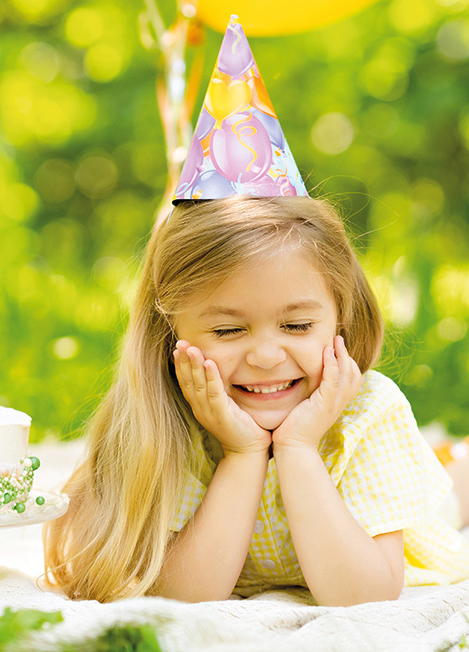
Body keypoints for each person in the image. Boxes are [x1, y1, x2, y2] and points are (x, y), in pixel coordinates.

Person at [43, 196, 469, 605]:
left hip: (413, 509)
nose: (266, 357)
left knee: (454, 495)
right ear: (168, 334)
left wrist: (298, 447)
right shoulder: (160, 420)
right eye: (228, 330)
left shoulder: (367, 411)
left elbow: (364, 596)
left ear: (342, 318)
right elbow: (185, 598)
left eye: (298, 325)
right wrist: (242, 453)